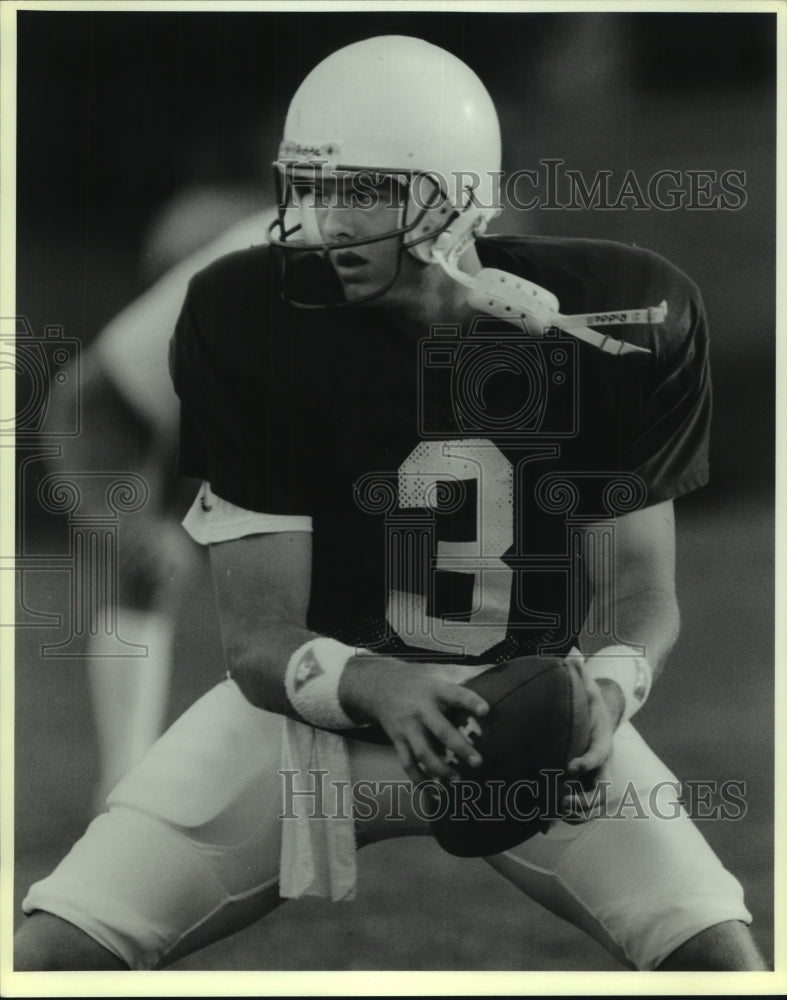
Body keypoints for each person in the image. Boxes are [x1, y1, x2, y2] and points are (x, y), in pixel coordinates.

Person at [15, 34, 767, 973]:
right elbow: (257, 639)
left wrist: (608, 692)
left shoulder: (615, 318)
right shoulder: (256, 317)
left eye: (362, 189)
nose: (325, 221)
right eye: (311, 187)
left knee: (724, 966)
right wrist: (384, 682)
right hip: (301, 728)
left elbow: (640, 597)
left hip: (517, 723)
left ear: (452, 196)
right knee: (46, 960)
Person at [45, 200, 274, 808]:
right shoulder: (277, 259)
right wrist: (171, 513)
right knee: (151, 569)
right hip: (101, 421)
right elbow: (201, 381)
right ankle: (123, 787)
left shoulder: (302, 241)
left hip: (147, 412)